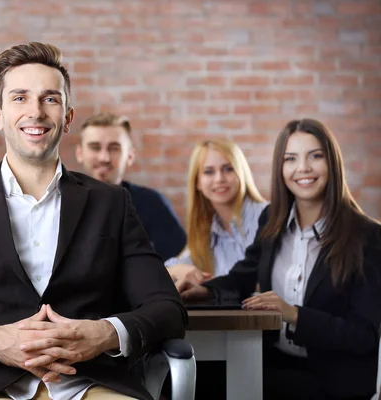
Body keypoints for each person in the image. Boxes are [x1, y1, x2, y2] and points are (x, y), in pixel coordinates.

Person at [0, 42, 187, 400]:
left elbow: (168, 309)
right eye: (19, 98)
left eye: (50, 99)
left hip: (92, 382)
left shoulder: (112, 203)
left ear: (68, 117)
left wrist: (105, 333)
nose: (36, 112)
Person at [182, 119, 381, 399]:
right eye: (291, 159)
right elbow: (243, 275)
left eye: (315, 156)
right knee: (196, 380)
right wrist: (204, 291)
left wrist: (294, 314)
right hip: (273, 362)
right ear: (281, 168)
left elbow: (363, 335)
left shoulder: (367, 236)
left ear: (332, 163)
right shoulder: (271, 221)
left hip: (334, 378)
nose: (303, 168)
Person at [75, 112, 186, 260]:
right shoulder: (60, 203)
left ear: (130, 156)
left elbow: (175, 264)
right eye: (95, 147)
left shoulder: (152, 204)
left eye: (114, 148)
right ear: (79, 153)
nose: (104, 158)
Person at [164, 138, 267, 291]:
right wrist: (178, 270)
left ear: (241, 173)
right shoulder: (208, 233)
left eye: (228, 169)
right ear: (197, 182)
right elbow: (166, 269)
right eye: (209, 172)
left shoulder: (268, 216)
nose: (219, 179)